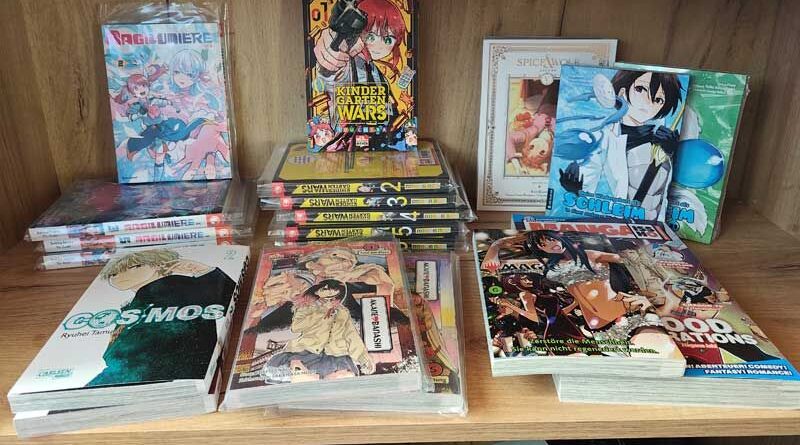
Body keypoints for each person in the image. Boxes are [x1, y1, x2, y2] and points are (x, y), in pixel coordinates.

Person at [88, 249, 235, 386]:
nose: (122, 275)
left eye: (135, 267)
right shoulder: (132, 305)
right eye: (114, 274)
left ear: (158, 265)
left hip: (166, 371)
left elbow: (230, 301)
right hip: (134, 373)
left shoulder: (177, 285)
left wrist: (203, 271)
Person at [558, 70, 684, 220]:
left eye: (658, 100)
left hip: (658, 221)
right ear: (622, 92)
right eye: (640, 89)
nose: (648, 102)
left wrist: (675, 152)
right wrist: (575, 188)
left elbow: (675, 183)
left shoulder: (664, 137)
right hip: (624, 219)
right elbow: (590, 173)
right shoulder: (606, 138)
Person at [266, 280, 375, 381]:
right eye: (325, 289)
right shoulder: (307, 307)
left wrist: (362, 357)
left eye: (332, 291)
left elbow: (351, 335)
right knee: (290, 366)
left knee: (344, 374)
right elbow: (296, 327)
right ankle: (305, 374)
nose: (328, 292)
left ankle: (323, 378)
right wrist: (322, 311)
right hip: (308, 350)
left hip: (335, 354)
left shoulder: (343, 312)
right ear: (317, 292)